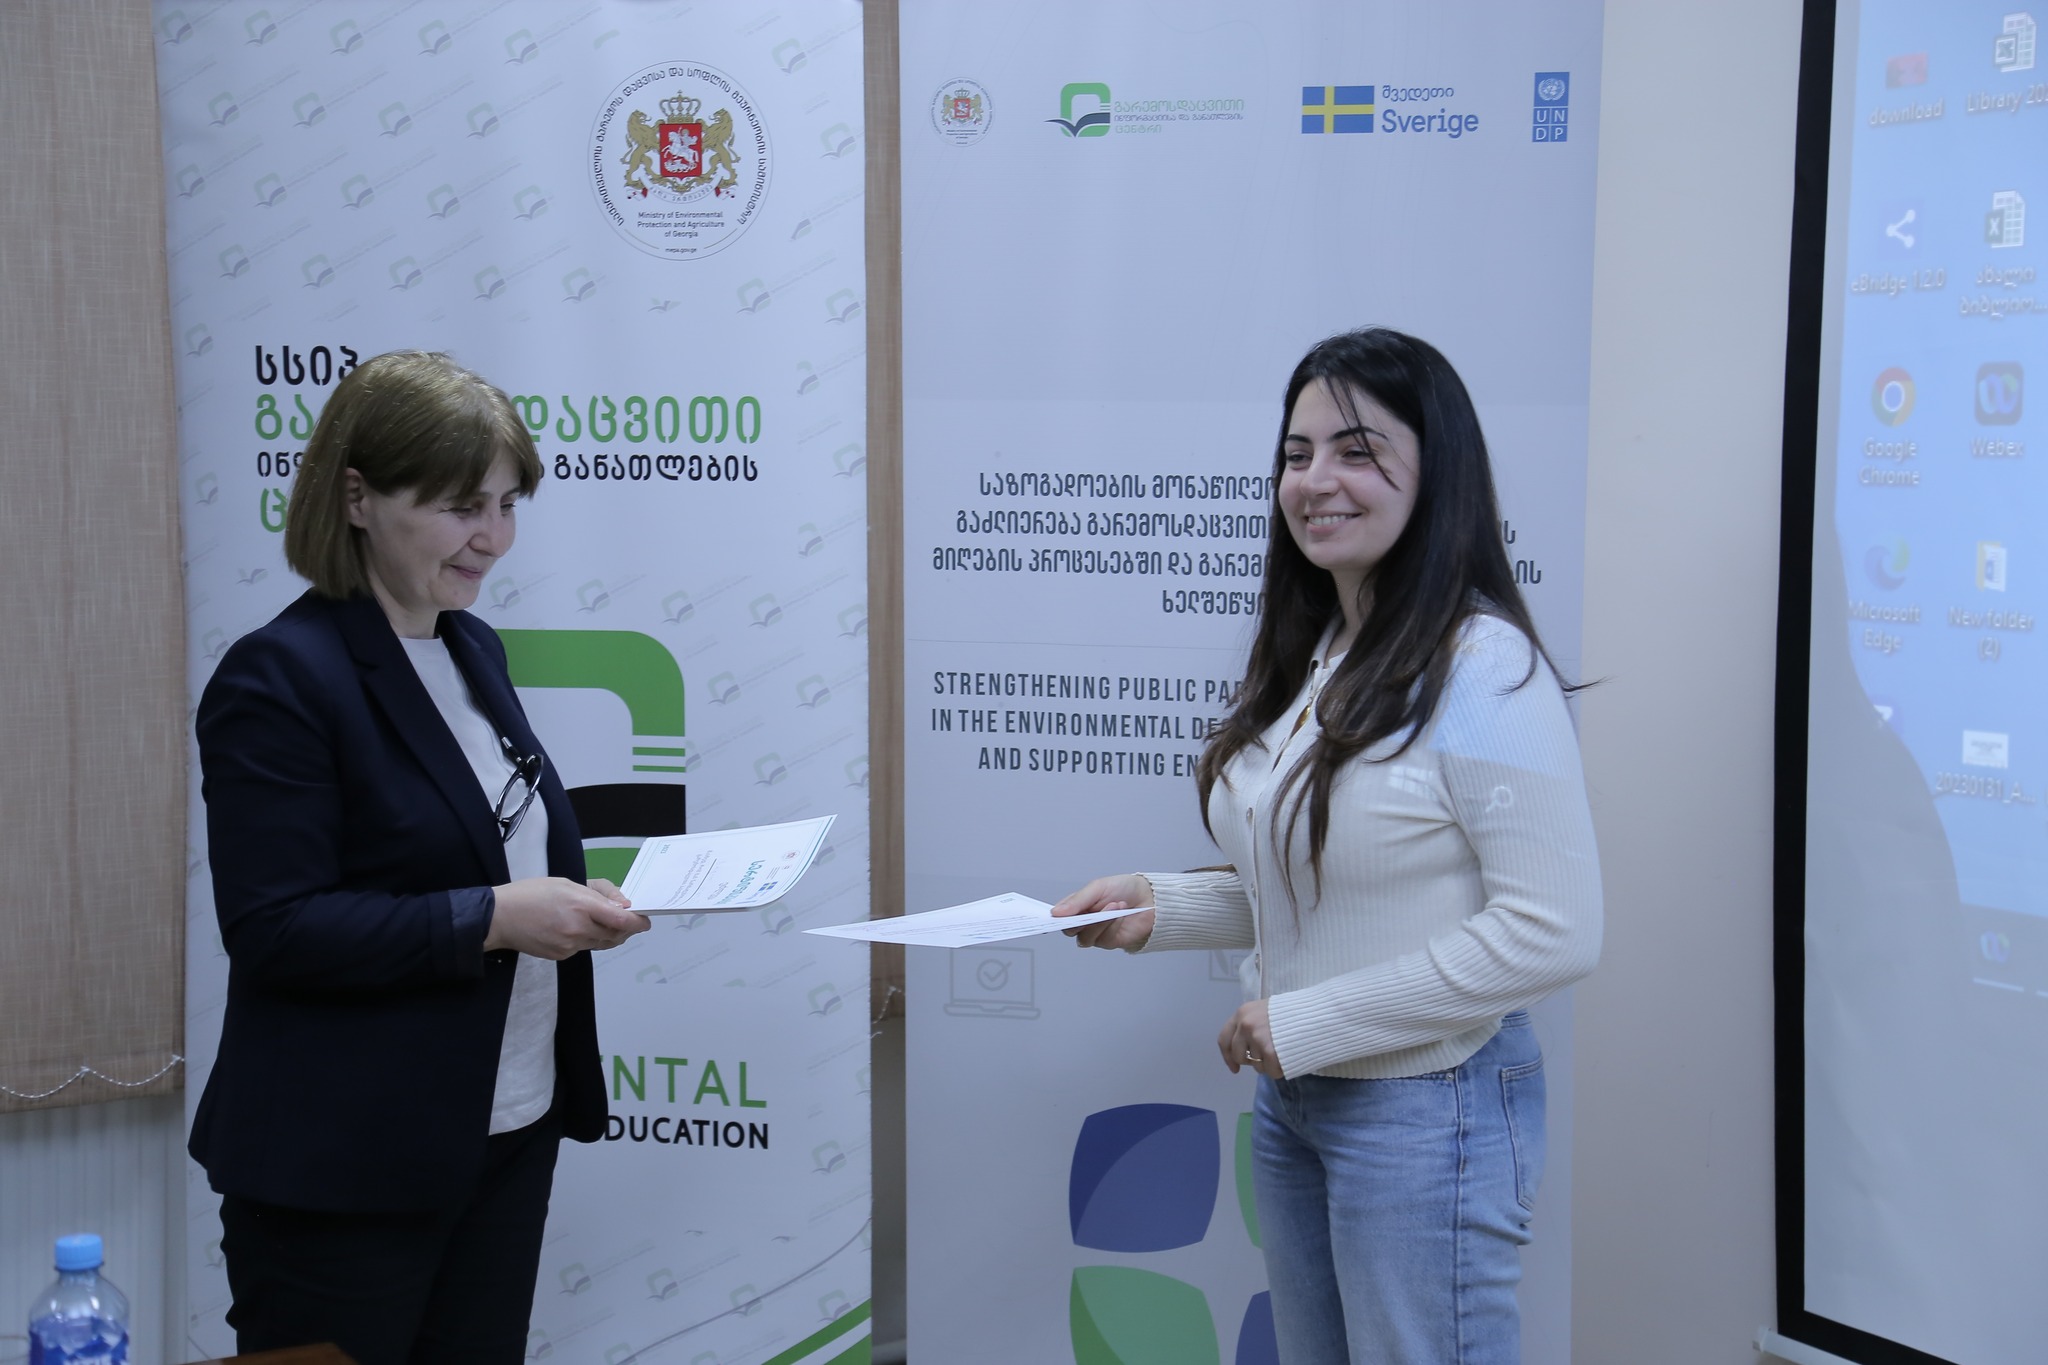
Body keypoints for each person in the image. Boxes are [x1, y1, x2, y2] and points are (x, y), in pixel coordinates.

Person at [1054, 328, 1601, 1364]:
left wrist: (1311, 1020)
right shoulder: (1320, 651)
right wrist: (1158, 907)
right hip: (1299, 1104)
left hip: (1427, 1106)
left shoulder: (1483, 665)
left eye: (1357, 450)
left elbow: (1554, 930)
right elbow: (1336, 885)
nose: (1315, 481)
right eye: (1296, 454)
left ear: (1436, 472)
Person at [192, 350, 651, 1365]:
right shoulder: (279, 676)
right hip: (342, 1163)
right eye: (459, 507)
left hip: (506, 1126)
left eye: (507, 504)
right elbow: (275, 928)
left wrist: (566, 901)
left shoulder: (471, 647)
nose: (493, 537)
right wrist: (497, 916)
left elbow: (483, 843)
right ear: (357, 498)